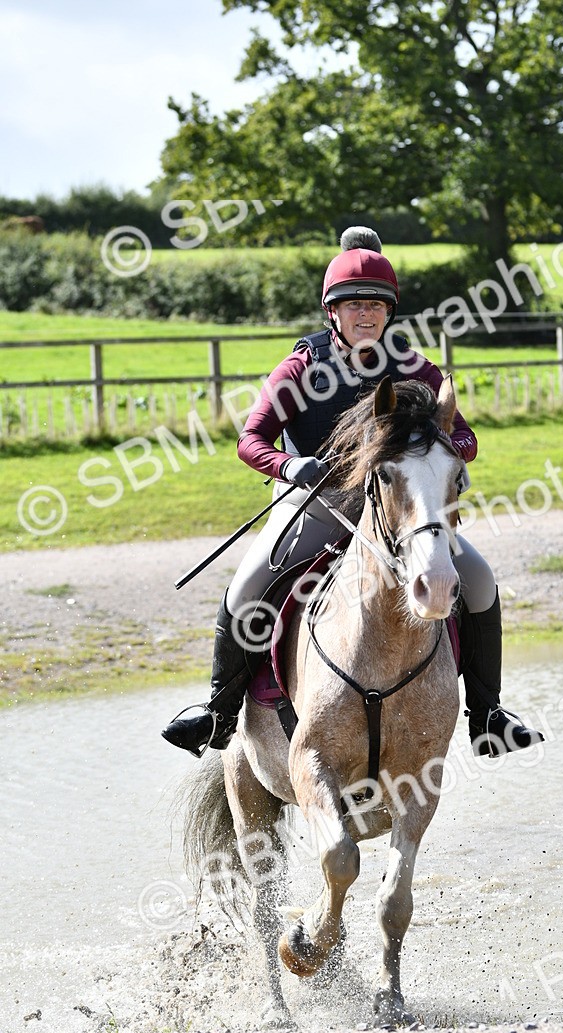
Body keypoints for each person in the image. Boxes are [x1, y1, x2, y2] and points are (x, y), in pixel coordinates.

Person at [162, 227, 541, 759]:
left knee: (477, 580)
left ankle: (488, 715)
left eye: (376, 306)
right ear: (331, 312)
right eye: (353, 305)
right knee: (247, 586)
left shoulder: (413, 368)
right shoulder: (301, 367)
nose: (366, 315)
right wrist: (290, 464)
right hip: (315, 502)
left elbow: (466, 435)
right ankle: (219, 713)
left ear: (389, 313)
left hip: (394, 509)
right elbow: (251, 441)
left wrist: (447, 446)